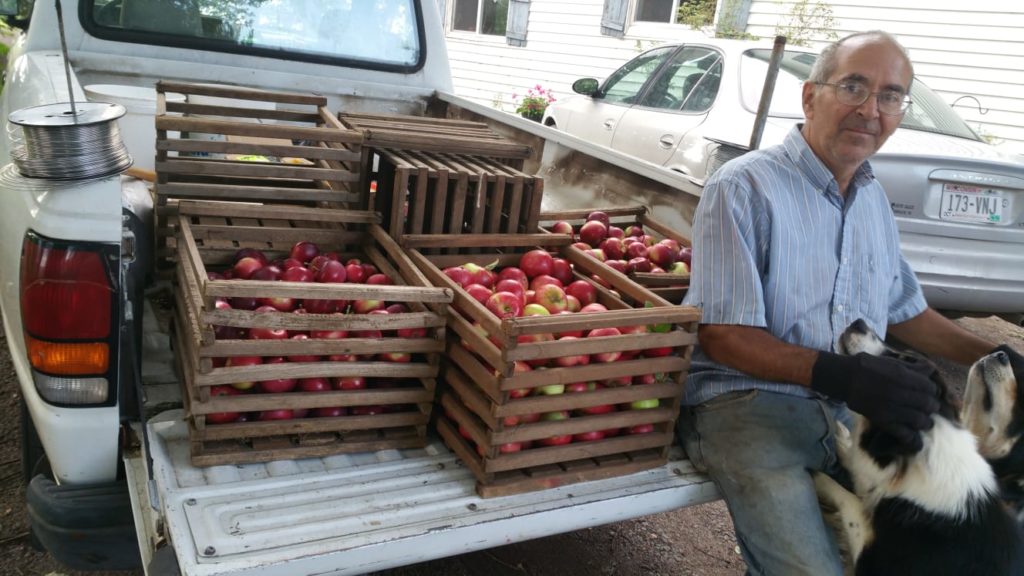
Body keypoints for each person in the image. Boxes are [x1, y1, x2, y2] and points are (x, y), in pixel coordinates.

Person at [676, 30, 1006, 576]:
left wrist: (1001, 358)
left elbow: (907, 312)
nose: (870, 109)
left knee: (933, 554)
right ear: (810, 96)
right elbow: (722, 334)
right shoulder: (744, 186)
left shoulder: (872, 198)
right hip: (747, 406)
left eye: (890, 95)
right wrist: (842, 375)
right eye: (853, 86)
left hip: (848, 411)